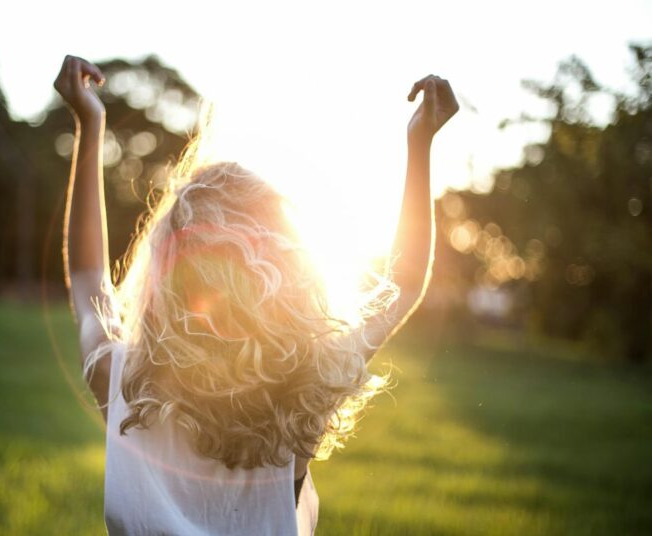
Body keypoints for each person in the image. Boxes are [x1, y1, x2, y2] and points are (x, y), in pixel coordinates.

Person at [54, 54, 458, 535]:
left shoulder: (123, 381)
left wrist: (90, 124)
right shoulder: (304, 391)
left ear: (165, 273)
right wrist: (420, 143)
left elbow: (89, 276)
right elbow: (403, 282)